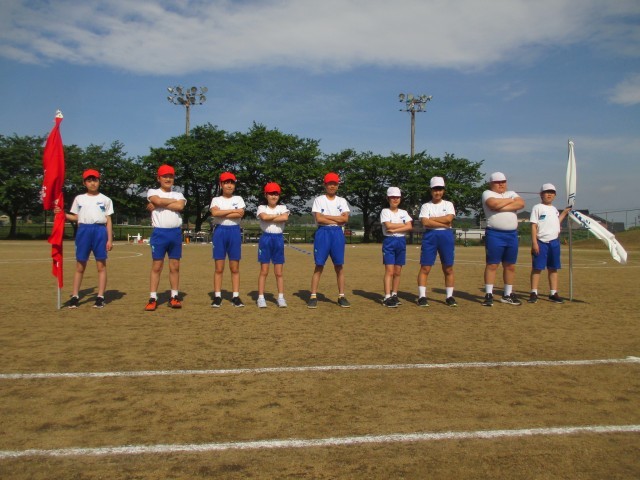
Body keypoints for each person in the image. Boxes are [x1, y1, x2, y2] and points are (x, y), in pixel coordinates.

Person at [57, 169, 113, 309]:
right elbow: (76, 217)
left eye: (95, 180)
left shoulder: (106, 199)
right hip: (83, 231)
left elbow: (108, 220)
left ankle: (100, 296)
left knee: (101, 265)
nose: (92, 183)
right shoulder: (79, 199)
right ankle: (75, 296)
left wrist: (109, 239)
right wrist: (62, 214)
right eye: (89, 180)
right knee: (80, 265)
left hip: (100, 231)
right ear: (84, 183)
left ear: (99, 181)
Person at [145, 165, 187, 311]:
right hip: (159, 233)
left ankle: (174, 296)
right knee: (157, 266)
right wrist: (168, 202)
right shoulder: (152, 192)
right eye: (165, 176)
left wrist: (159, 203)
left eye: (171, 176)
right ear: (158, 178)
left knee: (175, 266)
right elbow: (157, 200)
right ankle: (152, 297)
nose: (168, 179)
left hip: (175, 233)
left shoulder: (179, 194)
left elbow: (180, 206)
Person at [481, 171, 525, 306]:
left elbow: (521, 204)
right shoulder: (487, 193)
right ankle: (489, 294)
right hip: (495, 234)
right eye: (497, 182)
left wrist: (502, 205)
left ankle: (507, 294)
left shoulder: (511, 193)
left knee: (510, 265)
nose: (501, 184)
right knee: (492, 264)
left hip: (512, 234)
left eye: (503, 182)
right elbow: (492, 204)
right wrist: (510, 201)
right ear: (491, 184)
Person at [308, 172, 351, 308]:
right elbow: (319, 219)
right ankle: (313, 295)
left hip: (337, 233)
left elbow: (345, 219)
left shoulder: (342, 201)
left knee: (339, 266)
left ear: (338, 185)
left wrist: (327, 216)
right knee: (319, 265)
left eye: (334, 184)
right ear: (325, 185)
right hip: (323, 233)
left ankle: (341, 296)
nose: (332, 186)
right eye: (329, 184)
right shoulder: (319, 200)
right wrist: (336, 218)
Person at [417, 176, 457, 307]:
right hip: (430, 236)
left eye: (440, 189)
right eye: (435, 189)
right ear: (431, 191)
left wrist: (432, 219)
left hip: (446, 236)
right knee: (425, 267)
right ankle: (422, 296)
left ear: (443, 190)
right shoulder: (426, 206)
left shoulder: (448, 204)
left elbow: (449, 219)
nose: (437, 192)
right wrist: (443, 222)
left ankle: (449, 296)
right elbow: (425, 222)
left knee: (448, 267)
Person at [529, 183, 572, 304]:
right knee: (537, 268)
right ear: (541, 194)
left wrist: (564, 213)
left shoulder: (554, 210)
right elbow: (533, 225)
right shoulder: (537, 208)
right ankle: (534, 292)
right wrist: (534, 242)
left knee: (553, 268)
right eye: (547, 192)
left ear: (555, 195)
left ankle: (553, 293)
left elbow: (557, 222)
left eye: (552, 193)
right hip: (541, 242)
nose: (549, 195)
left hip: (554, 242)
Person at [210, 171, 246, 308]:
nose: (229, 185)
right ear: (221, 184)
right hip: (220, 231)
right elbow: (215, 213)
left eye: (232, 183)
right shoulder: (216, 200)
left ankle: (235, 296)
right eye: (226, 183)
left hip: (234, 231)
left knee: (234, 267)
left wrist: (223, 213)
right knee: (219, 267)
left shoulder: (239, 199)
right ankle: (217, 296)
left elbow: (240, 214)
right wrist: (232, 211)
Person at [256, 182, 290, 308]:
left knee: (279, 272)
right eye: (271, 194)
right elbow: (264, 217)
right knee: (264, 270)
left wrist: (271, 217)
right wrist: (277, 216)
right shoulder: (261, 207)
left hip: (278, 239)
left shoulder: (283, 207)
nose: (274, 196)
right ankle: (261, 297)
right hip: (266, 238)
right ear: (266, 195)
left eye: (276, 194)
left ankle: (280, 297)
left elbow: (285, 218)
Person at [380, 186, 413, 307]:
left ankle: (394, 294)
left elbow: (409, 226)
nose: (395, 199)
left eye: (397, 197)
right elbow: (388, 226)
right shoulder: (385, 211)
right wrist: (402, 226)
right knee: (389, 270)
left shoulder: (404, 212)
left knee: (398, 271)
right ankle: (387, 296)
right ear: (388, 198)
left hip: (401, 241)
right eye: (392, 197)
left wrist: (395, 229)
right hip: (389, 241)